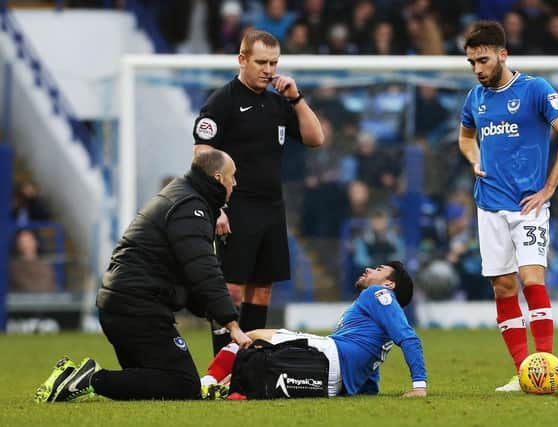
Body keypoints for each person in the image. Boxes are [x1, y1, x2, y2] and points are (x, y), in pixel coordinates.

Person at [34, 149, 252, 403]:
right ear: (217, 178)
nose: (235, 183)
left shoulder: (183, 197)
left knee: (149, 384)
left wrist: (210, 312)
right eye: (232, 176)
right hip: (137, 309)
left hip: (121, 306)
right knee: (183, 385)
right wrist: (232, 324)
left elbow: (187, 273)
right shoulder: (190, 207)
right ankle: (91, 378)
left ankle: (73, 378)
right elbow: (203, 268)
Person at [457, 21, 558, 392]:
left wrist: (548, 188)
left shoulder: (535, 89)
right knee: (503, 288)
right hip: (488, 205)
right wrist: (473, 157)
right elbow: (465, 137)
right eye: (471, 63)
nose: (477, 69)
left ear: (502, 54)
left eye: (483, 60)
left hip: (528, 206)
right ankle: (523, 372)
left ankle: (546, 364)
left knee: (531, 280)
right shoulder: (474, 99)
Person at [192, 30, 324, 354]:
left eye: (274, 63)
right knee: (231, 290)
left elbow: (315, 138)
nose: (268, 69)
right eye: (261, 62)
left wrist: (296, 97)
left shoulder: (278, 102)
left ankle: (248, 360)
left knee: (262, 290)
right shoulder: (222, 101)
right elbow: (201, 156)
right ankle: (221, 363)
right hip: (236, 208)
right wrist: (215, 207)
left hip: (271, 207)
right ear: (242, 60)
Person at [201, 261, 427, 399]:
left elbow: (409, 339)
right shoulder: (380, 312)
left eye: (379, 269)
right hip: (335, 381)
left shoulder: (378, 294)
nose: (369, 269)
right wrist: (367, 388)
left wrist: (419, 386)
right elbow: (371, 357)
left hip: (331, 354)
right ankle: (216, 387)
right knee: (257, 359)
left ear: (389, 285)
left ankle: (207, 382)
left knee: (252, 335)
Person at [9, 228, 57, 292]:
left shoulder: (46, 266)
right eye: (22, 242)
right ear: (17, 244)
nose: (26, 245)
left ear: (36, 242)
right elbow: (24, 286)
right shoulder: (14, 267)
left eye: (28, 241)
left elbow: (51, 285)